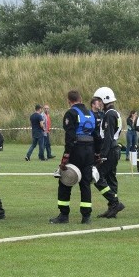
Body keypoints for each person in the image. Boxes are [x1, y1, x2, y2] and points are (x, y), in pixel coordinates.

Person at [51, 90, 96, 224]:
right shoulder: (91, 114)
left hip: (76, 150)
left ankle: (64, 215)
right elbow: (97, 136)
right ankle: (86, 216)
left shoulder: (71, 113)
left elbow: (70, 136)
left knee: (65, 181)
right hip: (89, 151)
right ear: (80, 99)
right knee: (86, 184)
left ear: (69, 101)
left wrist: (66, 156)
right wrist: (98, 154)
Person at [92, 86, 125, 218]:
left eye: (99, 100)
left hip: (110, 150)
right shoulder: (113, 113)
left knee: (97, 177)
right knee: (111, 179)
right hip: (113, 149)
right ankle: (112, 209)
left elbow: (108, 136)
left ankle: (114, 203)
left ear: (104, 100)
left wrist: (103, 155)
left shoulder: (109, 114)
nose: (97, 103)